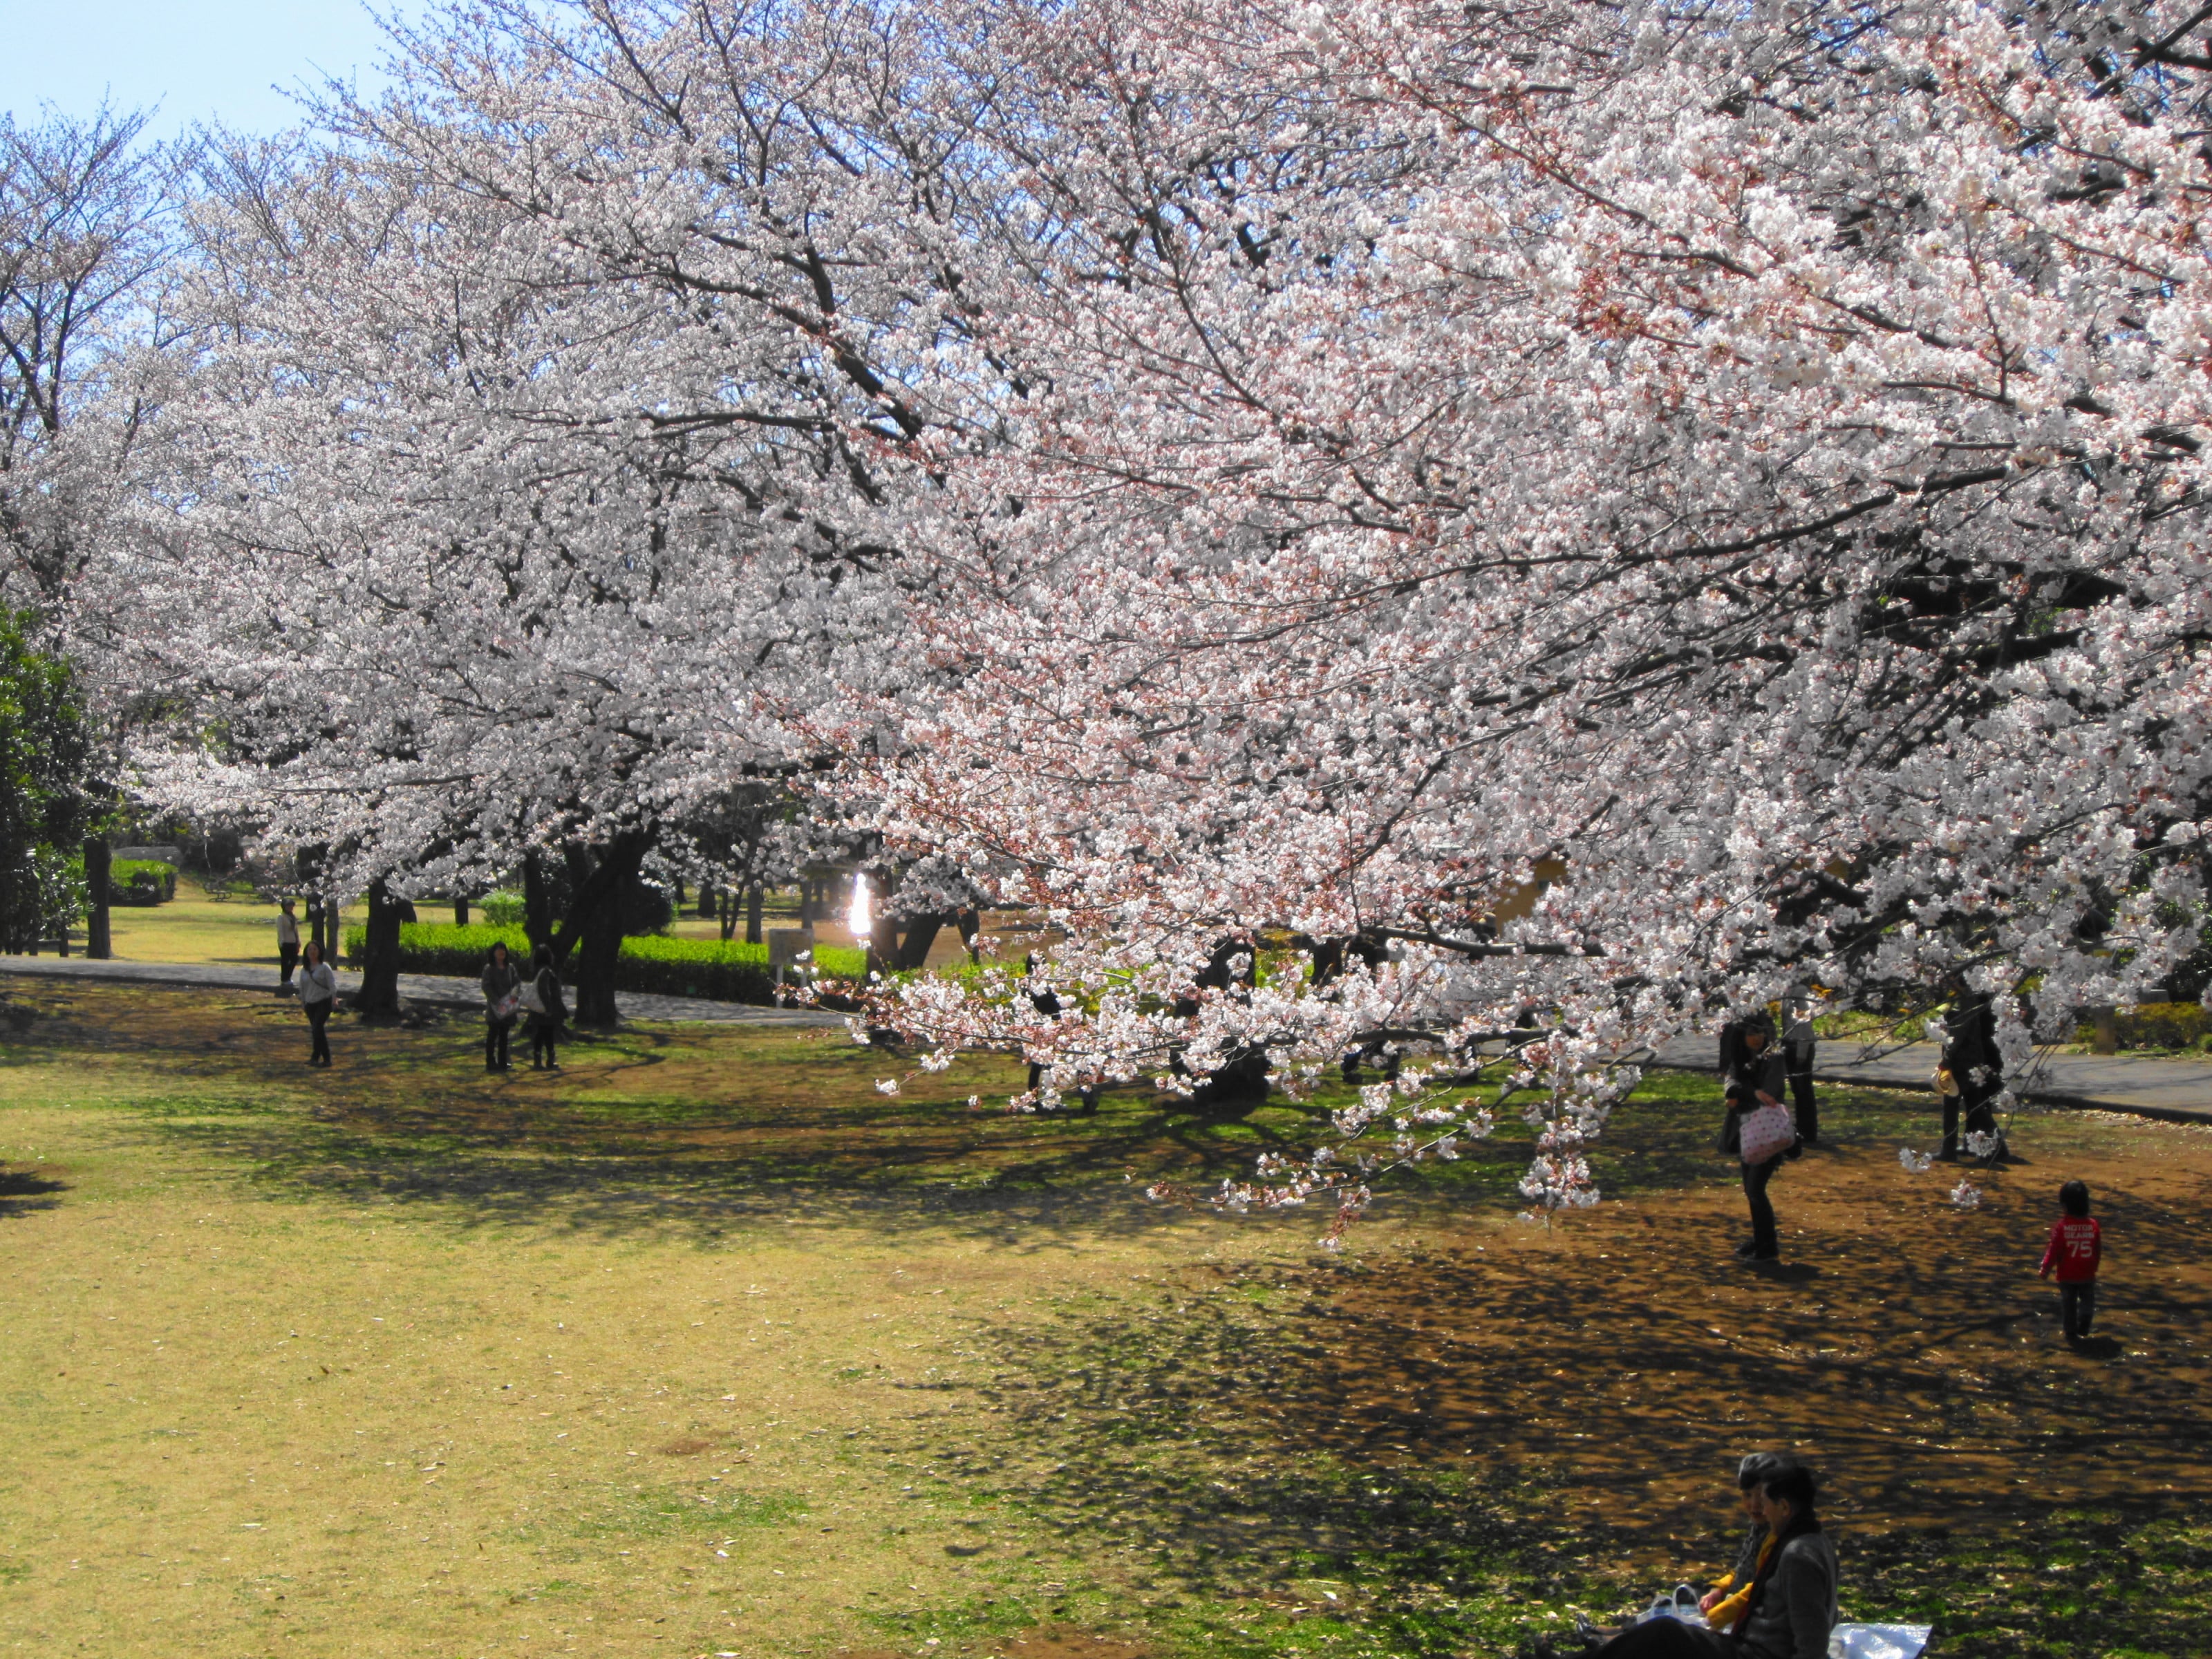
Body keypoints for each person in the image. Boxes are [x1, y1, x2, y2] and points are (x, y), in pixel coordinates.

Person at [1590, 1463, 1837, 1658]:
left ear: (1784, 1507)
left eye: (1765, 1504)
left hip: (1756, 1654)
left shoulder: (1798, 1555)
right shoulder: (1815, 1541)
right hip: (1748, 1646)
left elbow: (1812, 1636)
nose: (1762, 1511)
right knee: (1664, 1633)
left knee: (1664, 1632)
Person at [1721, 1012, 1794, 1261]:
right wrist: (1750, 1092)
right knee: (1750, 1190)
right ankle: (1760, 1239)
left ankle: (1768, 1246)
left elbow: (1770, 1094)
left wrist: (1743, 1094)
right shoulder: (1740, 1058)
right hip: (1747, 1132)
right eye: (1752, 1033)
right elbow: (1730, 1085)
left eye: (1762, 1032)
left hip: (1769, 1132)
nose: (1758, 1038)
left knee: (1755, 1188)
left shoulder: (1774, 1058)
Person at [1937, 987, 2005, 1160]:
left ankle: (1949, 1150)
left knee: (1954, 1104)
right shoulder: (1961, 997)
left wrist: (1946, 1059)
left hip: (1963, 1060)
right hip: (1968, 1058)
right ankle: (1996, 1147)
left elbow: (1959, 1033)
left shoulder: (1965, 999)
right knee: (1974, 1105)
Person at [2038, 1179, 2103, 1345]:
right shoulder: (2093, 1225)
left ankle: (2070, 1332)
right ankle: (2086, 1316)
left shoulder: (2062, 1227)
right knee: (2087, 1299)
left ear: (2065, 1206)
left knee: (2069, 1304)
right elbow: (2097, 1249)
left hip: (2067, 1275)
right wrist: (2095, 1266)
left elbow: (2054, 1250)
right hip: (2087, 1273)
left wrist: (2045, 1268)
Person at [1781, 993, 1818, 1146]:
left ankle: (1808, 1131)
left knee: (1803, 1089)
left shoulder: (1799, 992)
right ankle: (1801, 1127)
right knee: (1797, 1090)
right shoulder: (1787, 992)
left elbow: (1805, 1023)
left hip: (1799, 1046)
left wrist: (1802, 1053)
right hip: (1790, 1044)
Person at [523, 946, 566, 1071]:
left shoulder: (536, 971)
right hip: (545, 1009)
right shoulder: (546, 971)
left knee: (541, 1034)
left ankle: (540, 1059)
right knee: (546, 1034)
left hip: (538, 1009)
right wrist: (548, 1008)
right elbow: (544, 991)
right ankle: (548, 1060)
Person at [481, 941, 521, 1072]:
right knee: (493, 1034)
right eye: (498, 949)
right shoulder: (489, 969)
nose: (501, 952)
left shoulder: (510, 968)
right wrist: (497, 1002)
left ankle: (503, 1062)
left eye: (503, 949)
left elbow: (517, 983)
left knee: (504, 1035)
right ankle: (490, 1062)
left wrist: (514, 996)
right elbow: (486, 986)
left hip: (508, 1007)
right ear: (493, 953)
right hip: (495, 1007)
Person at [297, 939, 337, 1067]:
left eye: (315, 949)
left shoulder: (324, 968)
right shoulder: (304, 970)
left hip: (323, 1002)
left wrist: (334, 998)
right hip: (310, 1004)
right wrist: (303, 1002)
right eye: (310, 949)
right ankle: (315, 1058)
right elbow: (302, 988)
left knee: (317, 1027)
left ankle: (326, 1059)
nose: (312, 952)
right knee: (316, 1031)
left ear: (319, 951)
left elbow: (332, 985)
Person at [276, 898, 301, 987]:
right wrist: (282, 942)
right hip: (285, 942)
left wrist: (298, 941)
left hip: (293, 941)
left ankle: (287, 977)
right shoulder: (281, 917)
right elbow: (280, 930)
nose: (290, 907)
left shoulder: (293, 917)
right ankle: (284, 979)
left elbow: (296, 930)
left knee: (295, 959)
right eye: (288, 906)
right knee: (285, 961)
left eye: (292, 906)